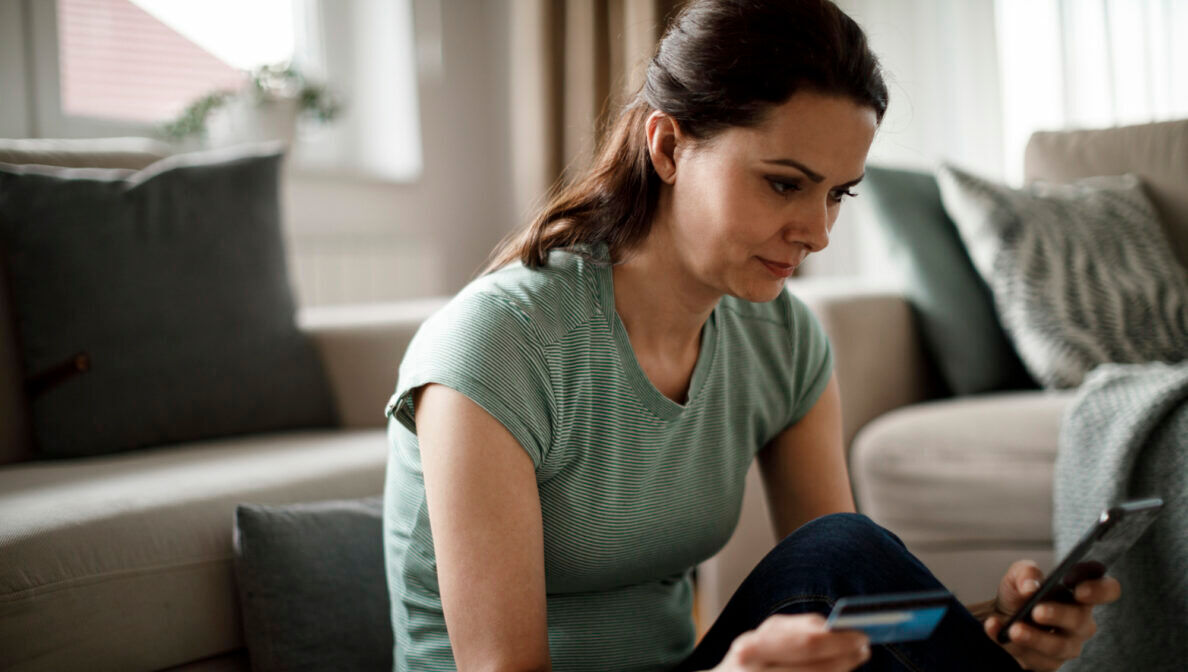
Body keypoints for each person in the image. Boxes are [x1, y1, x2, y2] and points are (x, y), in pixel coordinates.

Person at [381, 1, 1121, 670]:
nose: (818, 233)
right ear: (668, 147)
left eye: (837, 194)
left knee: (841, 552)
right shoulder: (498, 344)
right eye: (784, 183)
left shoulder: (781, 337)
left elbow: (849, 606)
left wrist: (989, 637)